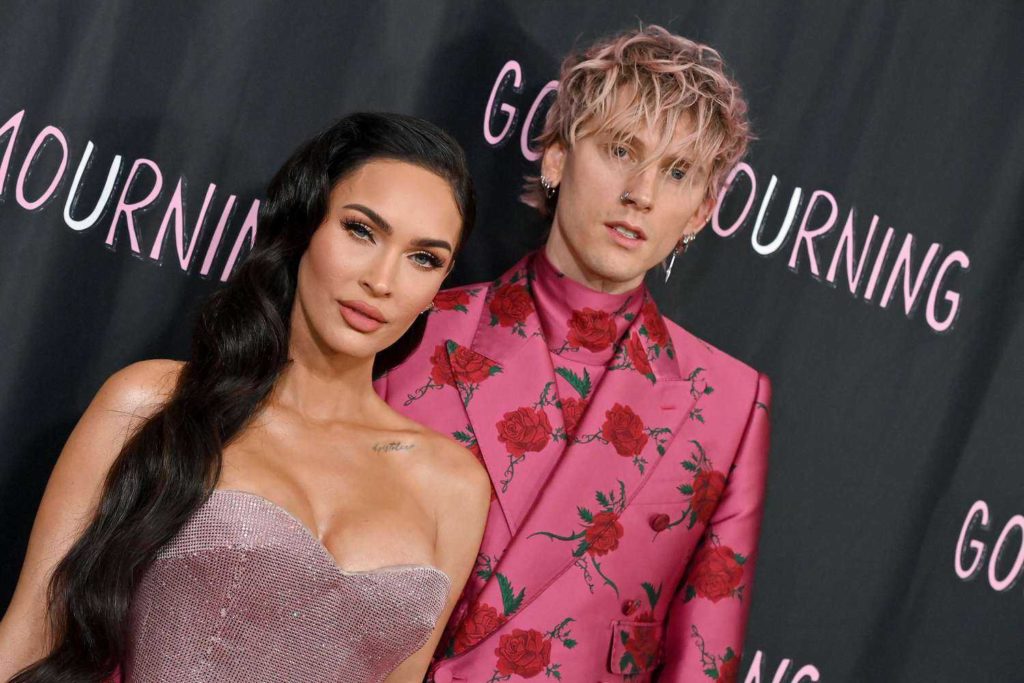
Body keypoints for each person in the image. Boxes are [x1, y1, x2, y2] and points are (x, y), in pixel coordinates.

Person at [0, 112, 490, 682]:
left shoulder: (454, 486)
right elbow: (28, 636)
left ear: (438, 287)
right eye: (361, 230)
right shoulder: (153, 403)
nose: (382, 281)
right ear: (304, 227)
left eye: (423, 258)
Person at [375, 26, 771, 682]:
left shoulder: (730, 404)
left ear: (701, 211)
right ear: (557, 158)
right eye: (621, 150)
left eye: (676, 172)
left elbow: (705, 659)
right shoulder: (419, 331)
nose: (642, 192)